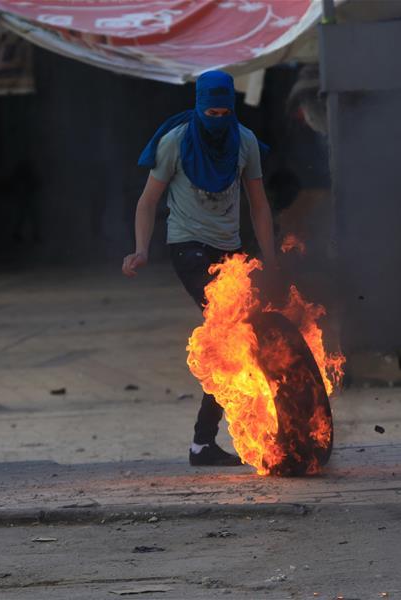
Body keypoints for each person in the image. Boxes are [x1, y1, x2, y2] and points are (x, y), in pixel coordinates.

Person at [122, 70, 278, 466]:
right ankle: (202, 442)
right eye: (211, 110)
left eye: (225, 111)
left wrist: (271, 256)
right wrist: (141, 250)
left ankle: (203, 445)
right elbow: (147, 201)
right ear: (198, 106)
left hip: (230, 250)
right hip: (188, 247)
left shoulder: (243, 142)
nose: (218, 118)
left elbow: (258, 204)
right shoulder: (175, 143)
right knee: (229, 334)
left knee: (238, 339)